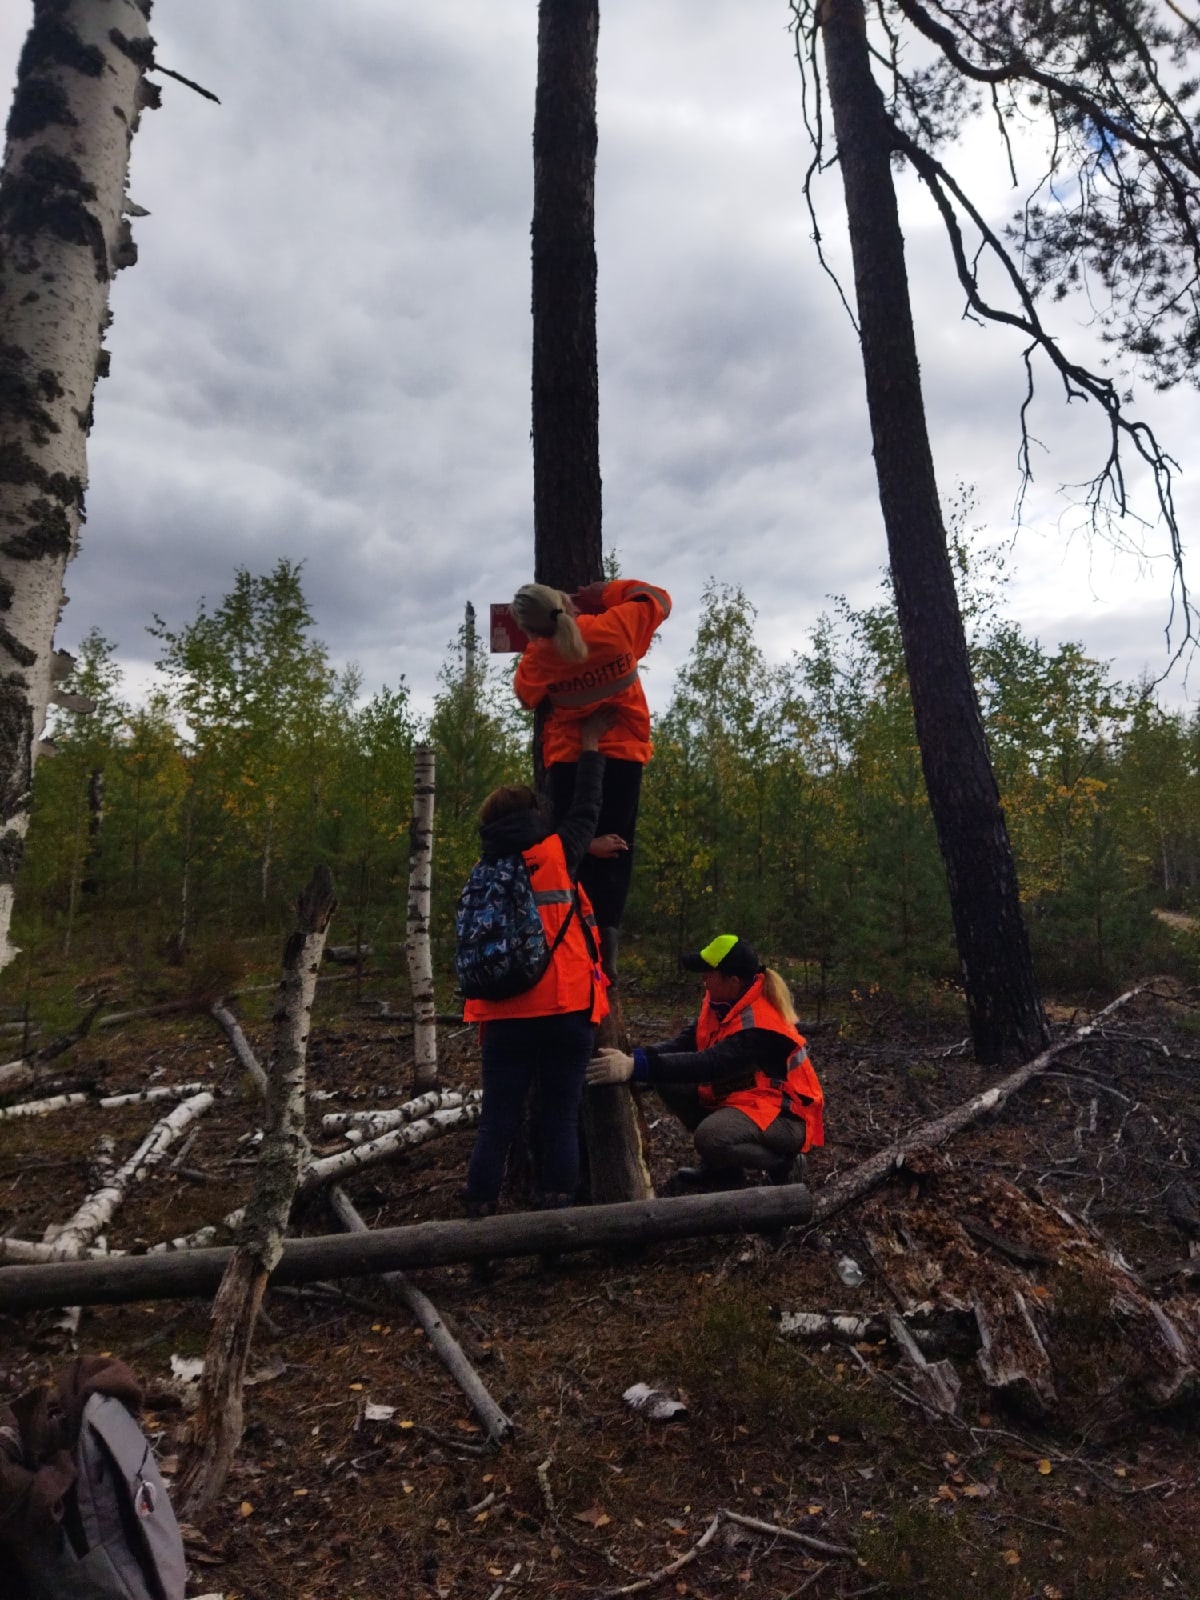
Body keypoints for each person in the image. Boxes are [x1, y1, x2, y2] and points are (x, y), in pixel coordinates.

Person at [461, 710, 612, 1216]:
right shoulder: (555, 854)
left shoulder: (483, 871)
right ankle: (556, 1226)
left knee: (496, 1123)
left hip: (503, 1015)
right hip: (567, 1010)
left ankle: (477, 1226)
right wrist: (591, 744)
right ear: (534, 817)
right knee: (559, 1120)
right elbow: (587, 806)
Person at [511, 577, 672, 978]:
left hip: (569, 758)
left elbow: (525, 695)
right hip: (625, 754)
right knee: (617, 852)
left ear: (530, 630)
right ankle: (608, 946)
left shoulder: (537, 659)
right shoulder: (615, 626)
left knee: (568, 851)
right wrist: (605, 594)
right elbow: (659, 599)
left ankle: (569, 948)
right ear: (563, 602)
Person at [585, 933, 824, 1190]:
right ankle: (723, 1172)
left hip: (786, 1116)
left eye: (709, 973)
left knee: (711, 1138)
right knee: (669, 1083)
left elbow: (710, 1063)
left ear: (732, 980)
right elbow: (684, 1043)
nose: (703, 979)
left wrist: (635, 1067)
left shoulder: (760, 1023)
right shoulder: (721, 1002)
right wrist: (637, 1060)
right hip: (749, 1099)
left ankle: (783, 1165)